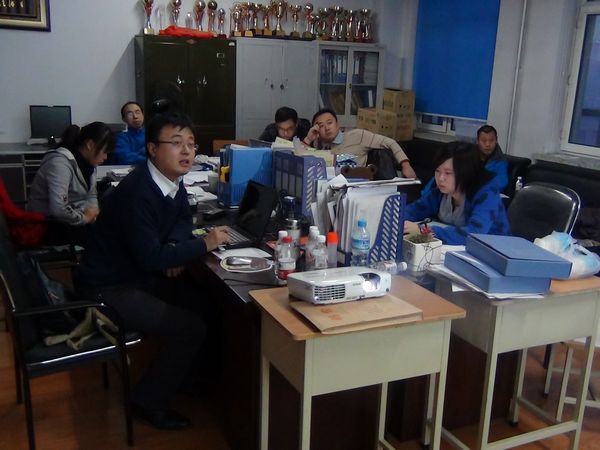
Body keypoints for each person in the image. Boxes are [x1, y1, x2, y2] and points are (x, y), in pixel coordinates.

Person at [75, 112, 229, 430]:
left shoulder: (170, 180)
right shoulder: (138, 192)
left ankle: (185, 378)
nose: (186, 151)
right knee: (189, 328)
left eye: (191, 144)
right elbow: (150, 257)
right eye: (176, 143)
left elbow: (182, 218)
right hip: (109, 287)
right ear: (152, 149)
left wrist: (173, 247)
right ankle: (147, 402)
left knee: (204, 302)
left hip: (135, 274)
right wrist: (205, 244)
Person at [404, 141, 511, 245]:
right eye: (437, 171)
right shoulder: (440, 192)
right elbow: (414, 210)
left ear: (466, 173)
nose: (441, 178)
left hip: (492, 250)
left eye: (448, 173)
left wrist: (424, 231)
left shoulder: (487, 194)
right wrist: (399, 222)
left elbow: (474, 233)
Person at [27, 122, 115, 246]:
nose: (105, 157)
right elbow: (58, 209)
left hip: (72, 218)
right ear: (90, 145)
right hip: (48, 224)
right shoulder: (60, 164)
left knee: (112, 228)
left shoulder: (89, 165)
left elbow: (91, 195)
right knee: (105, 240)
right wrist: (85, 218)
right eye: (104, 151)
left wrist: (94, 212)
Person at [302, 108, 417, 179]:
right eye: (321, 126)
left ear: (338, 125)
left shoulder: (357, 135)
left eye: (329, 123)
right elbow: (299, 160)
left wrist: (405, 164)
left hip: (357, 190)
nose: (327, 128)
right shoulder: (321, 149)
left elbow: (389, 142)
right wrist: (308, 139)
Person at [476, 124, 508, 192]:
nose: (487, 144)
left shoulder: (501, 160)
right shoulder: (469, 156)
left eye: (491, 140)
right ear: (477, 141)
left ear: (496, 140)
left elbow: (502, 182)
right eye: (484, 141)